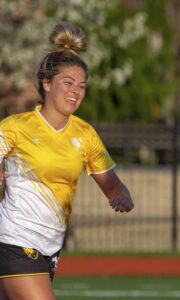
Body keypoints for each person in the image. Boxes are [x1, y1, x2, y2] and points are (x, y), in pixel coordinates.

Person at [0, 21, 134, 300]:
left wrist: (121, 195)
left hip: (51, 249)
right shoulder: (16, 127)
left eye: (82, 86)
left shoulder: (85, 134)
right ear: (47, 84)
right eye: (68, 83)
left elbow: (111, 185)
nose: (76, 91)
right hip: (14, 240)